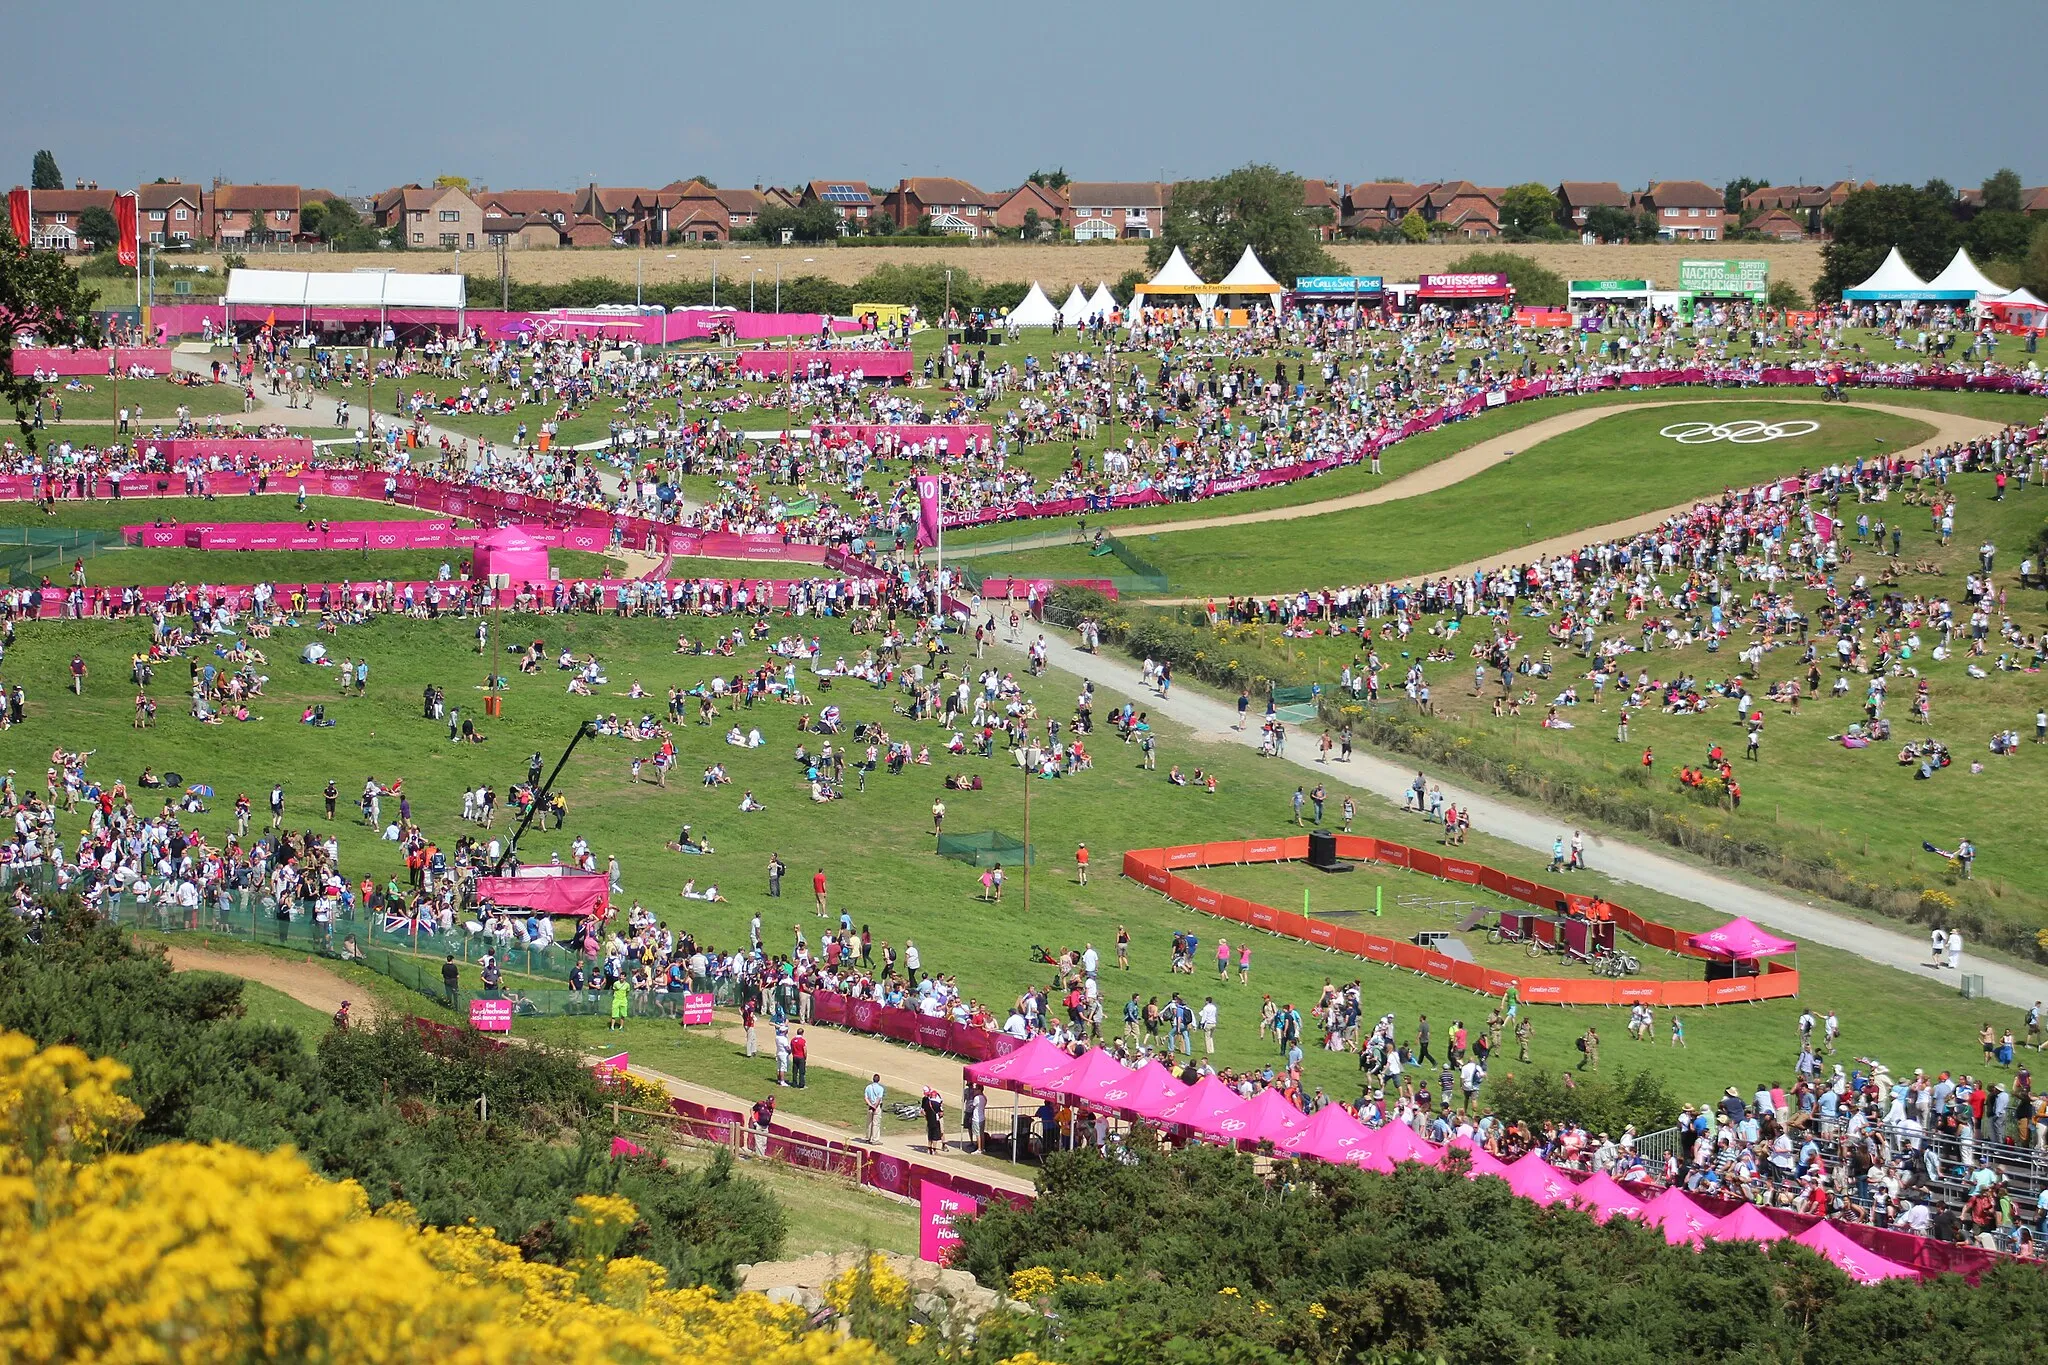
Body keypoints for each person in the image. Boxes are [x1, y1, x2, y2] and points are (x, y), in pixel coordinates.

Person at [921, 1087, 945, 1154]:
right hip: (936, 1121)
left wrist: (926, 1116)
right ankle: (934, 1150)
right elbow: (941, 1112)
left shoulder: (927, 1103)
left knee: (930, 1135)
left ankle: (929, 1149)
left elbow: (923, 1111)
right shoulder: (937, 1104)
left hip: (929, 1121)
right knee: (935, 1136)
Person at [863, 1073, 886, 1143]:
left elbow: (866, 1098)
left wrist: (871, 1105)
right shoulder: (880, 1088)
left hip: (870, 1106)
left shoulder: (868, 1087)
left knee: (869, 1123)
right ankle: (875, 1139)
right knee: (876, 1123)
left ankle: (868, 1138)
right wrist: (875, 1106)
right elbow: (879, 1098)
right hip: (877, 1107)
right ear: (879, 1080)